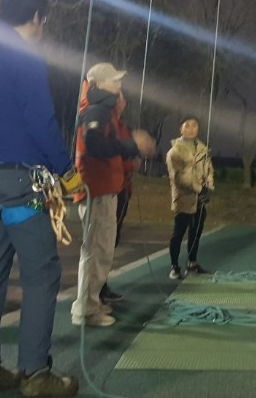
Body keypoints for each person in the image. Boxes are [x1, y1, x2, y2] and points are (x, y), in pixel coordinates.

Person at [0, 0, 79, 397]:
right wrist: (68, 173)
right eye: (41, 21)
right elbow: (42, 123)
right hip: (18, 184)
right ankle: (35, 374)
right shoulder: (24, 59)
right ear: (34, 17)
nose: (41, 30)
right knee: (42, 274)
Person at [71, 63, 155, 328]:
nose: (119, 85)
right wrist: (132, 145)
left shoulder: (102, 110)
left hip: (102, 189)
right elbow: (95, 145)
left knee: (99, 251)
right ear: (98, 85)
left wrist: (130, 151)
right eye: (113, 81)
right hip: (97, 190)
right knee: (96, 252)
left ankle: (90, 303)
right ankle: (86, 309)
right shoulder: (97, 110)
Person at [166, 115, 214, 280]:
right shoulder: (175, 151)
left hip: (200, 200)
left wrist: (209, 189)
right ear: (181, 129)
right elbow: (179, 178)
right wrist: (200, 189)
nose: (191, 129)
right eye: (187, 126)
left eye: (194, 125)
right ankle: (174, 267)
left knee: (196, 232)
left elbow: (209, 170)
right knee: (178, 233)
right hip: (184, 198)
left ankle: (192, 263)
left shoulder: (203, 149)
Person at [100, 92, 135, 305]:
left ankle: (101, 286)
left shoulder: (121, 125)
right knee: (102, 243)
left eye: (121, 97)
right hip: (109, 189)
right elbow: (113, 155)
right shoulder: (103, 121)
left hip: (122, 188)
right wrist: (131, 159)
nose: (120, 102)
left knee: (112, 240)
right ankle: (96, 291)